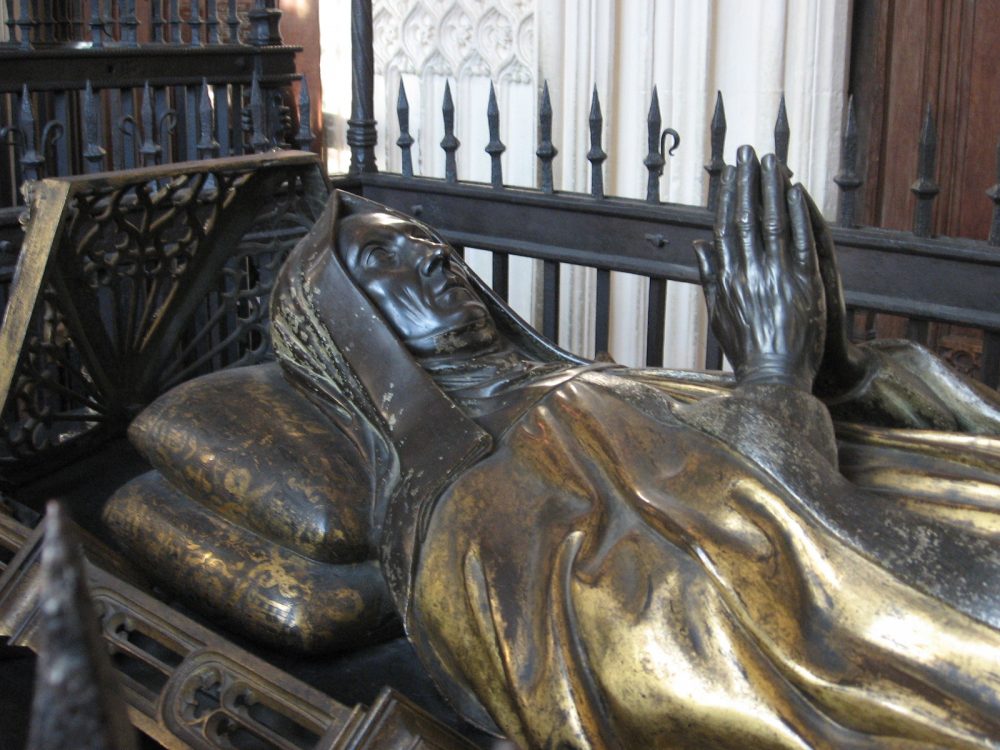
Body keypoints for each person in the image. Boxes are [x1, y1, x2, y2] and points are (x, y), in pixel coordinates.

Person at [105, 147, 1000, 748]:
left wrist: (827, 364)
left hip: (885, 518)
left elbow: (755, 447)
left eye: (430, 246)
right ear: (351, 330)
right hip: (886, 621)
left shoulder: (570, 386)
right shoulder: (462, 496)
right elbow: (667, 646)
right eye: (390, 263)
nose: (438, 264)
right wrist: (771, 373)